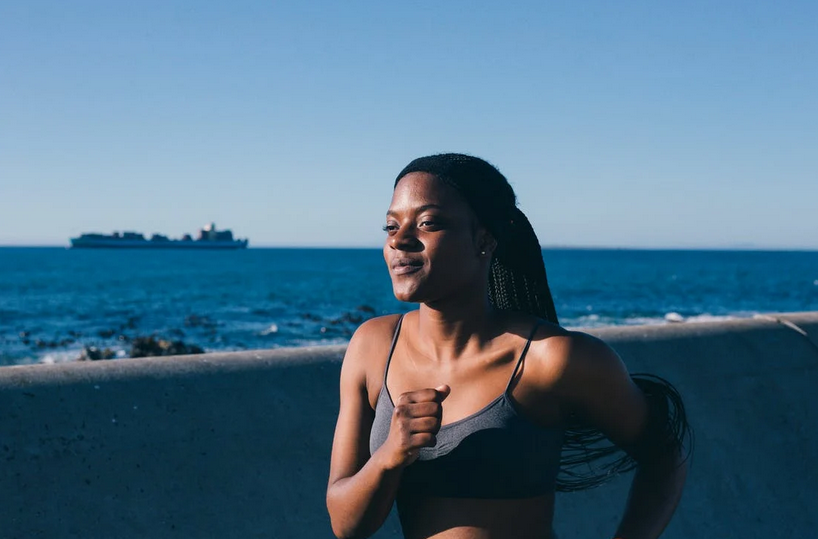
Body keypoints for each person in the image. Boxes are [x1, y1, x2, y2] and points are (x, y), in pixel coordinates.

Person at [326, 154, 691, 539]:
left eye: (428, 223)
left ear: (484, 240)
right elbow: (346, 525)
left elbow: (665, 456)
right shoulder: (372, 347)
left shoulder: (551, 359)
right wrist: (389, 456)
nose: (399, 240)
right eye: (390, 226)